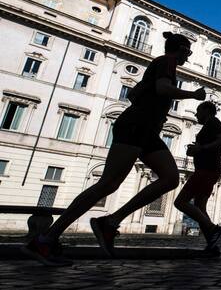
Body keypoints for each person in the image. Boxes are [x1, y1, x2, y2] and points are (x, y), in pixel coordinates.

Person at [22, 32, 205, 266]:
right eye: (187, 51)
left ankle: (110, 221)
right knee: (108, 184)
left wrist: (149, 107)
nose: (188, 56)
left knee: (170, 179)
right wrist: (193, 94)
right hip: (136, 127)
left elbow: (133, 93)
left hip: (146, 131)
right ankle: (45, 239)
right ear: (179, 49)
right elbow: (162, 89)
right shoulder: (166, 61)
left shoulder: (158, 65)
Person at [174, 101, 221, 252]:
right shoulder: (209, 125)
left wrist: (202, 148)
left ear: (206, 110)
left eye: (198, 111)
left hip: (206, 170)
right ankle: (212, 244)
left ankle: (214, 229)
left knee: (180, 202)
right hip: (208, 170)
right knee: (200, 207)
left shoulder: (213, 121)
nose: (196, 114)